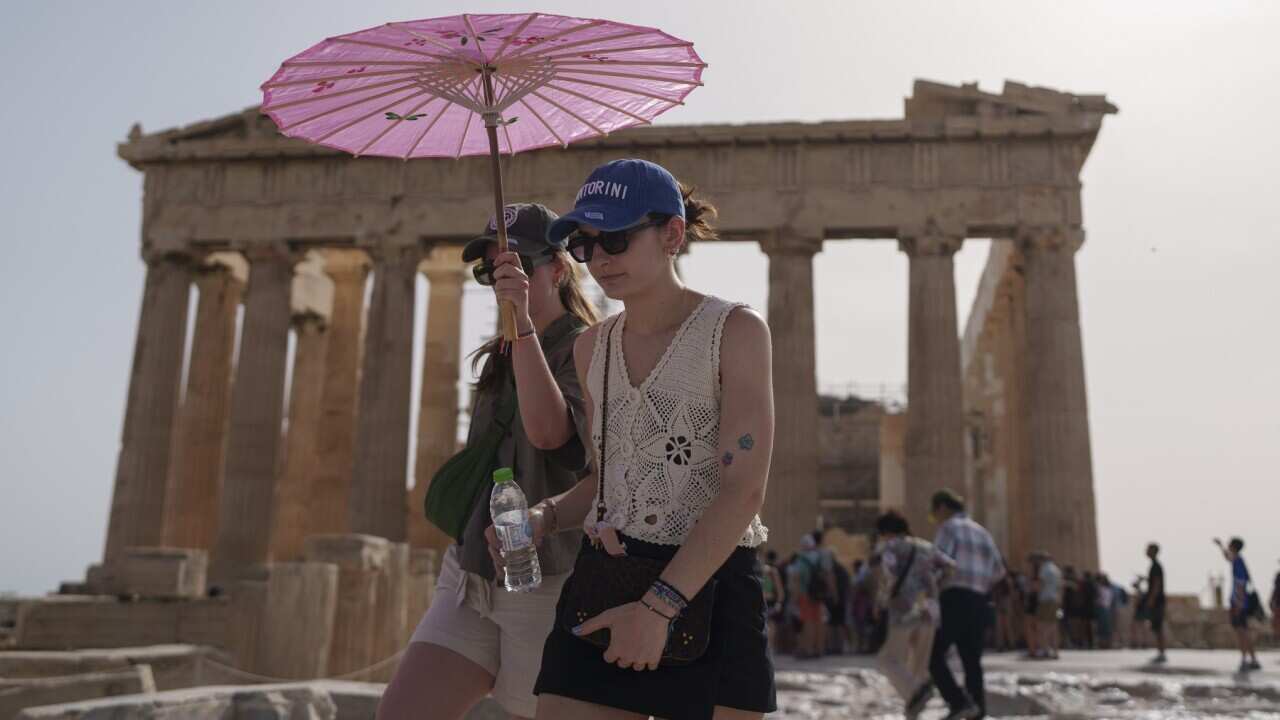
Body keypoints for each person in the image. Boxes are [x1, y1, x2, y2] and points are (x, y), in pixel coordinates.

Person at [529, 158, 777, 720]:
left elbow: (743, 491)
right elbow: (607, 479)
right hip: (607, 577)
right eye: (585, 245)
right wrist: (545, 516)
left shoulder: (735, 332)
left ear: (672, 233)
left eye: (615, 237)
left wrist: (659, 609)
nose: (600, 259)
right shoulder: (591, 348)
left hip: (711, 586)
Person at [378, 204, 600, 720]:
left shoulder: (588, 347)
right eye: (490, 270)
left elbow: (550, 435)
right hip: (471, 572)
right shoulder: (497, 354)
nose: (501, 280)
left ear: (558, 270)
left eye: (516, 265)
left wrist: (522, 321)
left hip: (545, 578)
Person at [928, 490, 1006, 720]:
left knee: (932, 654)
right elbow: (999, 571)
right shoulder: (983, 533)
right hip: (979, 601)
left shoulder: (949, 528)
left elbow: (938, 561)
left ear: (942, 507)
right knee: (972, 661)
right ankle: (977, 712)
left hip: (954, 597)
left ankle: (958, 701)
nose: (935, 519)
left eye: (934, 514)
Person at [873, 510, 957, 720]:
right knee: (917, 667)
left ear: (886, 532)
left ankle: (916, 692)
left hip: (904, 610)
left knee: (888, 659)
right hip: (929, 610)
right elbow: (950, 567)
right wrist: (934, 587)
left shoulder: (890, 547)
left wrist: (883, 599)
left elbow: (888, 574)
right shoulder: (926, 546)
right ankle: (913, 709)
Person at [1214, 537, 1261, 672]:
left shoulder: (1238, 562)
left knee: (1242, 632)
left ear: (1233, 546)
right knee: (1243, 631)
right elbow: (1227, 557)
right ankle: (1252, 659)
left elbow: (1241, 583)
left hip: (1239, 602)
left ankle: (1245, 659)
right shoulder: (1237, 560)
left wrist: (1238, 604)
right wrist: (1220, 545)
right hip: (1240, 602)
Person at [1034, 551, 1062, 660]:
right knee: (1053, 626)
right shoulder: (1057, 570)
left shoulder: (1044, 569)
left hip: (1045, 599)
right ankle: (1055, 651)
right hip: (1055, 600)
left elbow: (1041, 584)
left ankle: (1045, 649)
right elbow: (1060, 586)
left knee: (1042, 625)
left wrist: (1034, 590)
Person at [1143, 543, 1167, 664]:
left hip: (1157, 601)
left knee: (1158, 627)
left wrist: (1151, 599)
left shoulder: (1156, 566)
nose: (1145, 551)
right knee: (1156, 627)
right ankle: (1160, 652)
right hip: (1157, 600)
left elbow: (1157, 584)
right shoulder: (1154, 566)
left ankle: (1162, 652)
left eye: (1148, 549)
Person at [760, 549, 785, 651]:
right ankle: (770, 647)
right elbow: (779, 589)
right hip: (770, 600)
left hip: (760, 600)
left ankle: (765, 647)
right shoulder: (772, 571)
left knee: (764, 625)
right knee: (771, 625)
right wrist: (779, 602)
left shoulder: (759, 570)